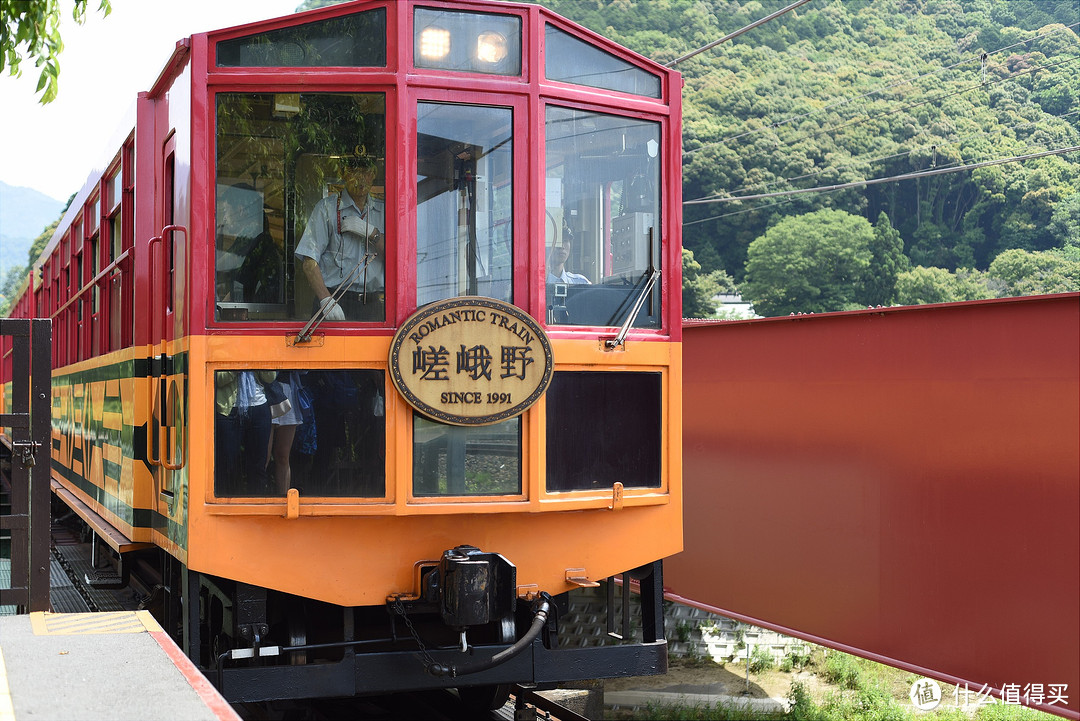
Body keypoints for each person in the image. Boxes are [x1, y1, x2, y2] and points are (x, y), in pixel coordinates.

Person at [295, 156, 385, 321]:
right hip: (334, 299)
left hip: (372, 304)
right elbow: (309, 261)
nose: (359, 178)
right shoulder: (326, 208)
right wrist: (325, 299)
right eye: (353, 171)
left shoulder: (384, 210)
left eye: (365, 172)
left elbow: (399, 259)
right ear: (343, 173)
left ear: (373, 174)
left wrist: (373, 234)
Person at [216, 184, 282, 304]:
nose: (224, 219)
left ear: (240, 210)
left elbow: (219, 266)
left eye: (226, 211)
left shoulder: (251, 236)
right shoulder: (257, 234)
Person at [215, 370, 277, 496]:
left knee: (258, 466)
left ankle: (257, 507)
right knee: (228, 464)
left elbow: (270, 377)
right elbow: (218, 379)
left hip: (259, 407)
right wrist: (239, 364)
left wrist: (257, 357)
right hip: (228, 410)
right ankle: (228, 508)